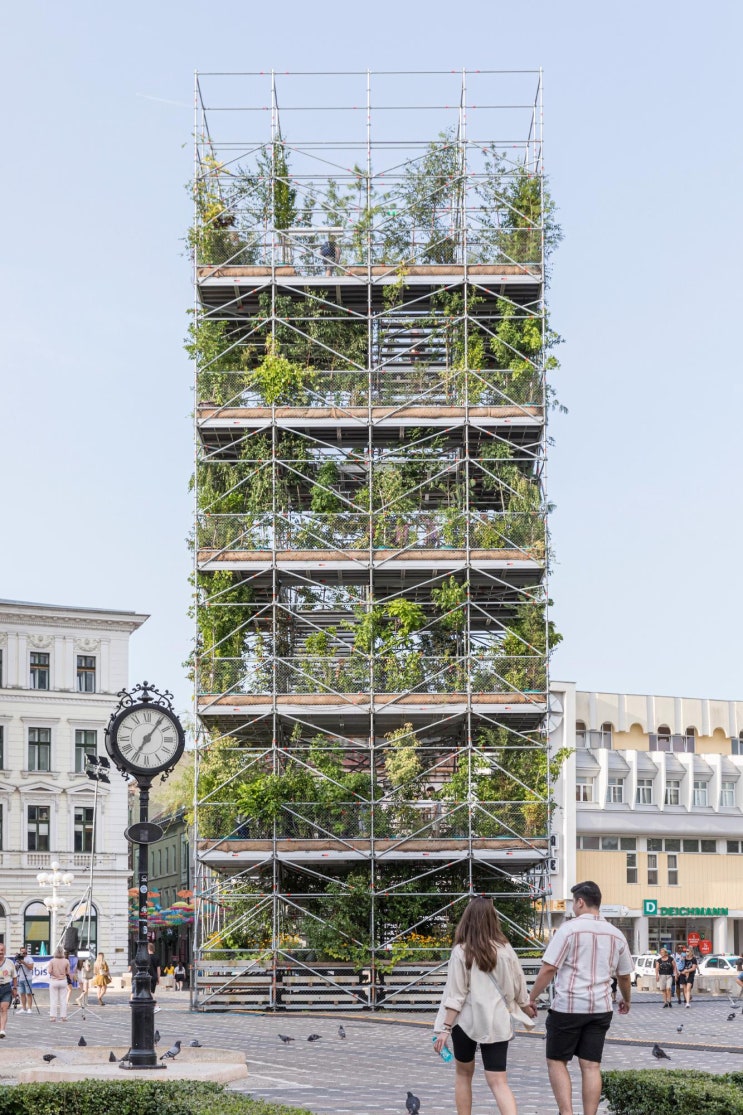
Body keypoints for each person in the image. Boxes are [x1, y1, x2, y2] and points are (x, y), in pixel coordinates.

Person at [527, 881, 633, 1115]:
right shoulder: (616, 934)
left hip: (568, 1007)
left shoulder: (569, 929)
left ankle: (566, 1113)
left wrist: (531, 997)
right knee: (591, 1065)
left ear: (580, 902)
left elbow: (548, 969)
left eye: (573, 903)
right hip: (600, 1008)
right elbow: (624, 976)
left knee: (557, 1061)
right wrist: (626, 999)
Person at [432, 896, 536, 1115]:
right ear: (492, 919)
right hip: (497, 1022)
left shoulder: (461, 951)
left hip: (466, 1023)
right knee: (499, 1081)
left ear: (467, 919)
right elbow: (519, 984)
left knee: (463, 1075)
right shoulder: (506, 949)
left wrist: (444, 1029)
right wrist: (526, 1006)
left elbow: (456, 995)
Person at [47, 945, 71, 1022]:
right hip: (63, 980)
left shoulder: (52, 961)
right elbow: (68, 972)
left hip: (54, 981)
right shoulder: (66, 961)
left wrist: (55, 973)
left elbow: (49, 971)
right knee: (63, 1000)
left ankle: (53, 1017)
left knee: (53, 999)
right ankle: (63, 1017)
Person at [0, 944, 19, 1038]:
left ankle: (2, 1030)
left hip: (6, 988)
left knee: (4, 1009)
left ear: (5, 951)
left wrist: (15, 988)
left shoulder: (10, 963)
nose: (0, 952)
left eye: (2, 950)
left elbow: (15, 977)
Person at [14, 946, 34, 1014]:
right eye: (22, 952)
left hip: (27, 978)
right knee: (22, 993)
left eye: (25, 951)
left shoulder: (29, 958)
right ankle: (24, 1008)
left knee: (28, 993)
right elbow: (15, 969)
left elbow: (31, 967)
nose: (24, 953)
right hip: (20, 978)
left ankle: (29, 1009)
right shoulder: (18, 959)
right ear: (20, 952)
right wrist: (17, 963)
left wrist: (23, 962)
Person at [147, 944, 161, 1012]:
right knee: (151, 991)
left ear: (148, 949)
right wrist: (158, 978)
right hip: (155, 976)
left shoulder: (147, 958)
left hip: (148, 977)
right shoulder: (157, 957)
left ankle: (156, 1005)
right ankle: (151, 1006)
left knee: (150, 992)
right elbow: (158, 969)